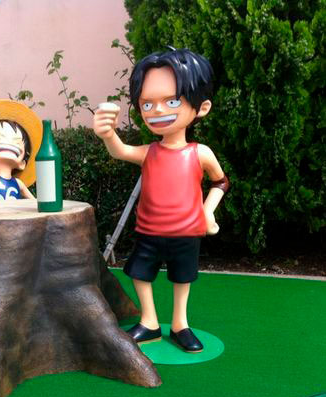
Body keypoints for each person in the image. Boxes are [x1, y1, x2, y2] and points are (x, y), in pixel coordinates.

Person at [93, 47, 230, 352]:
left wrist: (208, 211)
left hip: (187, 231)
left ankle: (180, 324)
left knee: (183, 277)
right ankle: (150, 322)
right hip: (149, 231)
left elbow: (221, 181)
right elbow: (120, 151)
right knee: (140, 273)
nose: (157, 110)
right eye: (147, 104)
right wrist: (107, 134)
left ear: (202, 107)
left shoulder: (200, 153)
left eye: (171, 101)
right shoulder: (149, 152)